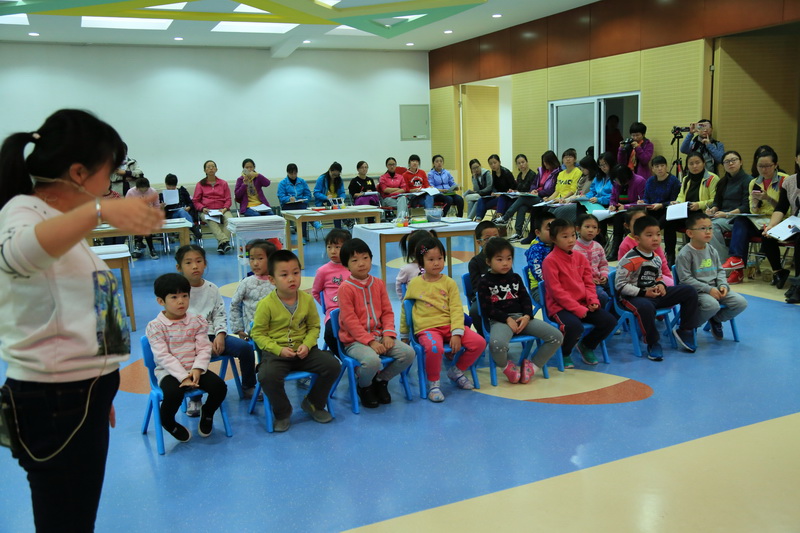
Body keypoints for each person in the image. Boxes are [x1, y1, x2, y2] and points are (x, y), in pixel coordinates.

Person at [0, 108, 163, 532]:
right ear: (77, 173)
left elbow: (94, 302)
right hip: (55, 399)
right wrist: (100, 211)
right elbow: (17, 254)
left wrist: (102, 382)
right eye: (108, 175)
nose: (110, 187)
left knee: (75, 519)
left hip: (83, 394)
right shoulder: (23, 211)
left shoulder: (61, 225)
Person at [251, 250, 341, 432]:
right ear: (272, 280)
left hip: (304, 351)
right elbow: (258, 333)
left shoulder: (306, 300)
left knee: (332, 365)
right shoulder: (266, 304)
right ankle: (283, 412)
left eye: (296, 273)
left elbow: (314, 327)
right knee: (267, 376)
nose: (292, 279)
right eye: (284, 275)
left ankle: (313, 403)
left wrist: (307, 345)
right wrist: (278, 350)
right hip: (276, 354)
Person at [400, 236, 486, 402]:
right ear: (421, 262)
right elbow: (405, 309)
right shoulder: (415, 284)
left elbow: (456, 309)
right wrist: (404, 335)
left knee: (479, 343)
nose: (436, 263)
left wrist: (457, 333)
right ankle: (434, 384)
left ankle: (456, 370)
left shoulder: (449, 283)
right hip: (427, 328)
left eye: (440, 258)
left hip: (449, 325)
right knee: (435, 348)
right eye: (431, 259)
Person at [146, 273, 228, 442]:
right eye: (174, 297)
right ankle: (168, 421)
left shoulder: (196, 321)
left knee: (220, 387)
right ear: (161, 301)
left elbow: (204, 348)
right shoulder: (156, 326)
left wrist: (197, 369)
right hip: (169, 372)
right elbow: (163, 356)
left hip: (195, 369)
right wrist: (183, 376)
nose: (181, 301)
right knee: (173, 394)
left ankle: (207, 412)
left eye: (185, 296)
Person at [175, 244, 257, 407]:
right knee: (189, 357)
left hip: (214, 335)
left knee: (245, 348)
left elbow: (219, 314)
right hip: (191, 341)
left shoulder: (212, 288)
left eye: (199, 261)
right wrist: (203, 344)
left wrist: (220, 334)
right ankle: (195, 398)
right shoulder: (177, 292)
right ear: (179, 267)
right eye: (188, 262)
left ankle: (248, 386)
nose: (195, 266)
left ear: (205, 263)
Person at [337, 238, 415, 408]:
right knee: (372, 361)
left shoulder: (378, 283)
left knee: (408, 353)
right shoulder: (345, 288)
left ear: (371, 259)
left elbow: (387, 312)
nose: (361, 263)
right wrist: (370, 341)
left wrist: (388, 334)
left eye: (365, 258)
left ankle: (381, 380)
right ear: (346, 265)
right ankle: (364, 386)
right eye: (354, 260)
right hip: (355, 341)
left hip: (380, 336)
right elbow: (350, 321)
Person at [477, 238, 563, 383]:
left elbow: (525, 299)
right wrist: (507, 319)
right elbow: (487, 308)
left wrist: (527, 316)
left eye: (509, 258)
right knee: (497, 345)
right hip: (500, 321)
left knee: (557, 336)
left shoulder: (515, 278)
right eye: (499, 259)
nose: (505, 263)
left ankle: (532, 366)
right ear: (488, 262)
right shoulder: (484, 282)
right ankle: (506, 367)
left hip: (523, 318)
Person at [615, 215, 700, 360]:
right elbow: (620, 285)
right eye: (649, 235)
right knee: (646, 307)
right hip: (633, 297)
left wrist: (660, 284)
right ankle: (653, 342)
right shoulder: (629, 259)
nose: (655, 238)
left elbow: (658, 275)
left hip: (653, 294)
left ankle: (685, 330)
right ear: (637, 238)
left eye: (658, 234)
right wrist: (644, 292)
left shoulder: (656, 257)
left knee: (689, 291)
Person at [541, 218, 617, 367]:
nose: (571, 240)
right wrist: (577, 309)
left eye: (573, 235)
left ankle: (587, 345)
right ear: (553, 239)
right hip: (560, 308)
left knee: (609, 321)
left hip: (582, 304)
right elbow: (557, 292)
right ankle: (565, 352)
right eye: (565, 236)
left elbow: (589, 283)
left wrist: (592, 300)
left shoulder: (580, 257)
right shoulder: (550, 261)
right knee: (574, 326)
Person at [722, 149, 789, 286]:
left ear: (775, 165)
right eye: (760, 166)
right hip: (760, 220)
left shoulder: (785, 180)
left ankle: (777, 271)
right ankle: (736, 260)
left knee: (766, 234)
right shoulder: (754, 182)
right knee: (740, 220)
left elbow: (787, 209)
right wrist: (754, 203)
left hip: (780, 220)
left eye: (767, 166)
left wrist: (768, 198)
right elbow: (754, 210)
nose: (764, 170)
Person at [676, 212, 747, 339]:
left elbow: (720, 270)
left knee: (741, 303)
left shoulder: (712, 250)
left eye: (710, 228)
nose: (708, 231)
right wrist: (708, 289)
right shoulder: (685, 254)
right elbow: (685, 279)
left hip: (716, 288)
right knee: (712, 305)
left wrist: (723, 284)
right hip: (697, 292)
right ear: (690, 233)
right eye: (703, 228)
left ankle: (715, 319)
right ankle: (688, 327)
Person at [663, 151, 721, 264]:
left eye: (697, 163)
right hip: (686, 211)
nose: (694, 166)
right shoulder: (686, 179)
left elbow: (714, 200)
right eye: (691, 164)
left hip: (702, 213)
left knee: (689, 223)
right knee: (669, 221)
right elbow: (681, 196)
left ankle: (695, 257)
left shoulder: (712, 178)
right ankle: (670, 256)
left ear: (704, 163)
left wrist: (699, 204)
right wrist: (677, 202)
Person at [765, 147, 800, 303]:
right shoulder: (789, 181)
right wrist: (771, 225)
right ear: (796, 159)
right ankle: (779, 272)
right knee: (767, 235)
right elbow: (781, 208)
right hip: (795, 222)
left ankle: (798, 284)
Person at [705, 151, 752, 260]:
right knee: (701, 224)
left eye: (733, 160)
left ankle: (724, 260)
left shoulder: (748, 180)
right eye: (727, 161)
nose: (730, 163)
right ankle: (714, 258)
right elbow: (717, 202)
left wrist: (727, 214)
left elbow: (746, 206)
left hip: (738, 218)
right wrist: (713, 209)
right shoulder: (722, 181)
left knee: (712, 226)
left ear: (741, 162)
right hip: (723, 216)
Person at [312, 228, 352, 356]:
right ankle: (345, 358)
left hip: (354, 310)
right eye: (329, 247)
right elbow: (315, 292)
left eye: (337, 247)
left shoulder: (353, 267)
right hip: (334, 312)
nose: (333, 251)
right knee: (329, 334)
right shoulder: (323, 271)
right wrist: (327, 306)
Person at [229, 239, 276, 341]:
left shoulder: (278, 282)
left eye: (260, 258)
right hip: (254, 333)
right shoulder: (246, 283)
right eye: (251, 258)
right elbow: (235, 305)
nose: (255, 263)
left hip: (277, 331)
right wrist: (238, 329)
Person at [617, 208, 675, 286]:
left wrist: (668, 277)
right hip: (637, 283)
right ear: (627, 225)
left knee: (676, 286)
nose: (642, 224)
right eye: (637, 221)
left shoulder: (654, 240)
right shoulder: (625, 245)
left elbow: (662, 262)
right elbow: (622, 271)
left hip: (657, 278)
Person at [492, 153, 540, 241]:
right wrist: (514, 191)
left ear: (527, 162)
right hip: (524, 200)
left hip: (533, 199)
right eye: (519, 163)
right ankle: (518, 233)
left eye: (523, 162)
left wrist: (522, 193)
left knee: (522, 198)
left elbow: (533, 189)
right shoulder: (519, 176)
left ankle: (505, 217)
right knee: (521, 207)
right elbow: (519, 189)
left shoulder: (532, 174)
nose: (521, 165)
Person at [193, 160, 233, 254]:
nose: (211, 168)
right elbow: (196, 201)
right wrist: (202, 208)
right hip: (207, 210)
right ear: (205, 170)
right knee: (211, 220)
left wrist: (225, 208)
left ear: (216, 169)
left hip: (222, 209)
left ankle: (221, 244)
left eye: (213, 166)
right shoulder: (200, 184)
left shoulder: (223, 183)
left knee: (230, 220)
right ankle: (224, 241)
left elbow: (228, 199)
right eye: (208, 167)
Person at [467, 221, 500, 336]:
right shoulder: (475, 262)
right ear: (479, 242)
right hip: (483, 296)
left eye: (496, 237)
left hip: (503, 293)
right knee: (475, 311)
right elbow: (477, 287)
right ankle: (483, 335)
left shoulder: (504, 258)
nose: (493, 241)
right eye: (487, 238)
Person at [608, 164, 647, 260]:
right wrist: (612, 205)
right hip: (619, 210)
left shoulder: (639, 181)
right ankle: (615, 248)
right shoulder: (616, 183)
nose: (616, 182)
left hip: (634, 210)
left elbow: (642, 201)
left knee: (623, 217)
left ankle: (624, 248)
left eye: (617, 180)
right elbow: (613, 197)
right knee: (618, 217)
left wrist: (625, 206)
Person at [640, 155, 681, 243]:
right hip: (652, 210)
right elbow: (646, 197)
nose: (660, 168)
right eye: (657, 166)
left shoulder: (673, 181)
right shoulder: (650, 181)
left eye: (662, 166)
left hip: (667, 210)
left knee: (669, 222)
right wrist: (643, 202)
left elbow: (675, 201)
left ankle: (669, 251)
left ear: (666, 167)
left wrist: (662, 205)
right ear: (652, 169)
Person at [573, 213, 611, 308]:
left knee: (618, 289)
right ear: (578, 229)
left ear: (598, 231)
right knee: (602, 296)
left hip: (600, 280)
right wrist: (589, 280)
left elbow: (603, 264)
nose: (591, 230)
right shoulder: (574, 248)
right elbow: (574, 271)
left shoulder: (598, 246)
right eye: (587, 227)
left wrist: (604, 275)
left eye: (594, 227)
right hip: (585, 284)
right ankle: (599, 313)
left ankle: (615, 312)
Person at [547, 150, 591, 223]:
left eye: (570, 157)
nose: (568, 159)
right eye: (565, 157)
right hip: (560, 200)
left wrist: (562, 199)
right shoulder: (561, 173)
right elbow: (557, 190)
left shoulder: (578, 172)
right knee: (544, 210)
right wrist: (549, 199)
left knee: (555, 212)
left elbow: (573, 190)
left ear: (575, 159)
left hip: (568, 199)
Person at [395, 228, 439, 300]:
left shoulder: (433, 265)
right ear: (413, 250)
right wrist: (404, 301)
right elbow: (399, 285)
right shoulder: (407, 269)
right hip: (415, 303)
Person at [523, 211, 556, 303]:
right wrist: (554, 285)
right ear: (538, 232)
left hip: (556, 284)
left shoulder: (557, 245)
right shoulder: (535, 249)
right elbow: (537, 272)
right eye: (549, 229)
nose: (553, 232)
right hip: (539, 288)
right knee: (559, 300)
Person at [125, 176, 161, 259]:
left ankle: (138, 245)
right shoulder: (131, 192)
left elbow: (156, 206)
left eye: (145, 190)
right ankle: (151, 249)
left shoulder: (153, 192)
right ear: (137, 188)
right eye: (141, 190)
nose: (143, 191)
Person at [277, 163, 313, 242]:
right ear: (287, 173)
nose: (293, 175)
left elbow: (308, 194)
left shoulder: (302, 181)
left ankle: (303, 236)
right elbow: (281, 197)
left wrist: (304, 199)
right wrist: (288, 199)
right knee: (303, 211)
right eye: (291, 173)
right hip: (288, 206)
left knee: (303, 211)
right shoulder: (282, 183)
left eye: (295, 173)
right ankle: (313, 221)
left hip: (300, 204)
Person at [161, 173, 202, 240]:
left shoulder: (182, 191)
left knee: (181, 211)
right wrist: (162, 207)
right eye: (169, 186)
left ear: (176, 185)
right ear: (166, 184)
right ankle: (193, 227)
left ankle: (190, 231)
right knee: (181, 211)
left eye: (173, 186)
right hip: (170, 216)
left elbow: (191, 203)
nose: (171, 188)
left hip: (184, 214)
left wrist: (189, 207)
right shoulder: (162, 195)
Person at [474, 154, 515, 221]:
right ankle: (478, 220)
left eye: (495, 163)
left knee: (499, 199)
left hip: (506, 197)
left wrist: (501, 193)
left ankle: (499, 218)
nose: (493, 165)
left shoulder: (506, 173)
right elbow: (494, 186)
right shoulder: (493, 172)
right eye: (490, 164)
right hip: (497, 197)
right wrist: (494, 192)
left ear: (499, 162)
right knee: (481, 200)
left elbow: (513, 188)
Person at [314, 161, 347, 228]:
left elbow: (342, 192)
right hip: (324, 202)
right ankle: (343, 224)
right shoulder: (322, 179)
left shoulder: (339, 180)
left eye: (337, 175)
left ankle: (340, 227)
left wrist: (342, 198)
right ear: (329, 170)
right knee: (336, 208)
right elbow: (316, 193)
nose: (334, 177)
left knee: (338, 206)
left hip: (336, 201)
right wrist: (326, 197)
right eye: (333, 175)